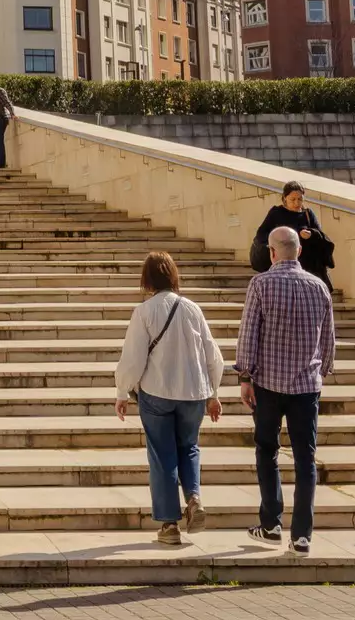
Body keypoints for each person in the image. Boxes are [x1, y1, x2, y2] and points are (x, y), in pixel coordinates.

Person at [235, 223, 336, 554]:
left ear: (272, 252)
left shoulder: (261, 283)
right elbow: (328, 338)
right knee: (306, 458)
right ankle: (302, 535)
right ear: (300, 251)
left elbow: (250, 332)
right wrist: (323, 370)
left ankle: (271, 524)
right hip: (307, 385)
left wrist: (245, 376)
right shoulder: (319, 286)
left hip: (268, 384)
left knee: (267, 450)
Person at [114, 251, 225, 545]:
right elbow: (213, 356)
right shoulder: (192, 309)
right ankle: (194, 497)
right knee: (189, 446)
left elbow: (133, 358)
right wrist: (213, 393)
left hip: (157, 392)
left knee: (162, 455)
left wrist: (122, 391)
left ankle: (169, 525)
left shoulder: (145, 312)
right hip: (194, 393)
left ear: (147, 279)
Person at [252, 182, 335, 292]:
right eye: (293, 199)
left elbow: (322, 237)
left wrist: (311, 234)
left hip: (308, 267)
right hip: (283, 265)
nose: (297, 203)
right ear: (285, 198)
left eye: (300, 199)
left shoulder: (308, 214)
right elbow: (261, 235)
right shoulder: (276, 213)